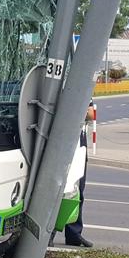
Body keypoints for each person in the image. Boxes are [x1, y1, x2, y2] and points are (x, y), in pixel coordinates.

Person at [49, 102, 94, 248]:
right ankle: (48, 233)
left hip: (79, 147)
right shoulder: (61, 85)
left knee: (78, 193)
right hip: (61, 146)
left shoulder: (84, 86)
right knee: (55, 192)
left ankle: (74, 234)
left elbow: (91, 114)